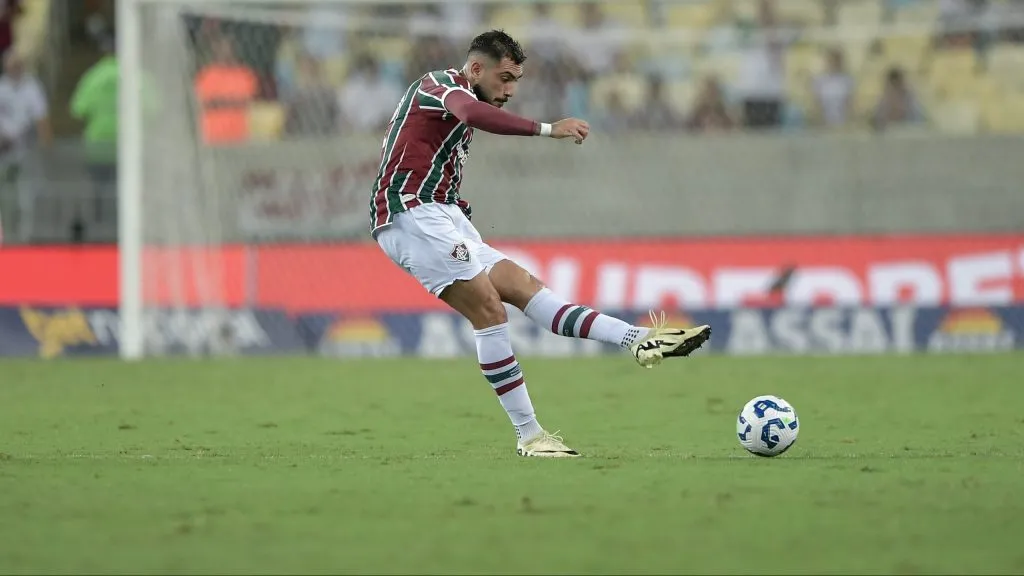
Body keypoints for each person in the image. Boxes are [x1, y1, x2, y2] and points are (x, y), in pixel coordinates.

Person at [369, 30, 711, 458]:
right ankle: (530, 436)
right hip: (410, 213)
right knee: (489, 311)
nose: (510, 91)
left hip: (444, 214)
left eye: (516, 81)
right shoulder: (440, 86)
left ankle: (638, 340)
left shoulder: (465, 95)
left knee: (523, 285)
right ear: (476, 69)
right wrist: (548, 129)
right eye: (505, 78)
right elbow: (471, 114)